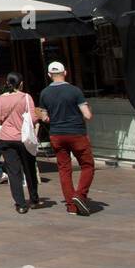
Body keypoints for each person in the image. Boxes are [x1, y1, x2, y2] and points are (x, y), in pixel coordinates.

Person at [39, 61, 95, 216]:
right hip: (76, 133)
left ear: (49, 75)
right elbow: (87, 115)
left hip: (57, 134)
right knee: (87, 165)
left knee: (64, 169)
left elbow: (44, 117)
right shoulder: (75, 91)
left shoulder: (44, 93)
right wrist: (88, 107)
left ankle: (71, 206)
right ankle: (80, 195)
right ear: (65, 72)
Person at [0, 73, 49, 214]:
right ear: (21, 84)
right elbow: (33, 118)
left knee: (13, 172)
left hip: (6, 138)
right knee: (29, 168)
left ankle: (20, 203)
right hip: (23, 138)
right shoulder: (26, 97)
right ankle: (34, 198)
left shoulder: (0, 99)